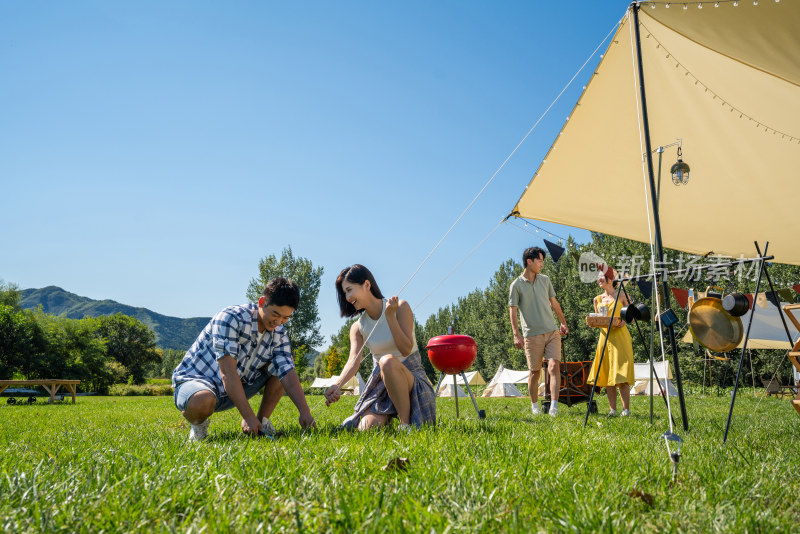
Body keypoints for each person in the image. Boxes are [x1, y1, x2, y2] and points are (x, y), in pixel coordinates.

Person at [172, 277, 315, 441]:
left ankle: (261, 423)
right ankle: (198, 426)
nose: (278, 321)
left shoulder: (279, 333)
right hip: (199, 382)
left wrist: (305, 412)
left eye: (285, 318)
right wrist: (247, 416)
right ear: (262, 302)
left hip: (236, 386)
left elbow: (288, 372)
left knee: (284, 363)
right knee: (201, 401)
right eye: (275, 314)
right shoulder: (230, 318)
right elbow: (227, 372)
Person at [324, 264, 436, 430]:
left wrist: (390, 318)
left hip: (412, 381)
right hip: (381, 385)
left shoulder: (400, 308)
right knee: (366, 428)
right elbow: (353, 361)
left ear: (367, 285)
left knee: (387, 362)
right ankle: (387, 416)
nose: (347, 297)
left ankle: (405, 425)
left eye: (349, 289)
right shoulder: (358, 327)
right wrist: (338, 384)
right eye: (344, 292)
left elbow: (406, 349)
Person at [509, 247, 569, 416]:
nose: (542, 264)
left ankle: (554, 407)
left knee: (554, 366)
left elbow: (554, 303)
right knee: (535, 372)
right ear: (530, 261)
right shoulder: (516, 285)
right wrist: (516, 334)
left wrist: (563, 323)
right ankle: (535, 406)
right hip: (532, 335)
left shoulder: (545, 280)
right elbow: (512, 311)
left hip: (552, 331)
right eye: (540, 261)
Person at [587, 268, 635, 416]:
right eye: (598, 277)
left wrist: (625, 322)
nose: (599, 279)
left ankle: (626, 409)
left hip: (620, 337)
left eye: (602, 276)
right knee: (608, 375)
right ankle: (612, 409)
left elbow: (632, 316)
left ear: (611, 278)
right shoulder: (597, 299)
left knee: (621, 374)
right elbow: (598, 319)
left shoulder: (622, 295)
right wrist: (592, 321)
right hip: (604, 338)